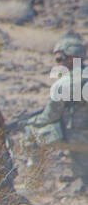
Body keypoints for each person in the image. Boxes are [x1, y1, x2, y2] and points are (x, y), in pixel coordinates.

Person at [22, 32, 88, 192]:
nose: (57, 64)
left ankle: (35, 184)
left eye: (59, 59)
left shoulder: (66, 83)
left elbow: (50, 116)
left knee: (32, 135)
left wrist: (30, 121)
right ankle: (83, 181)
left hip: (79, 138)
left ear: (72, 58)